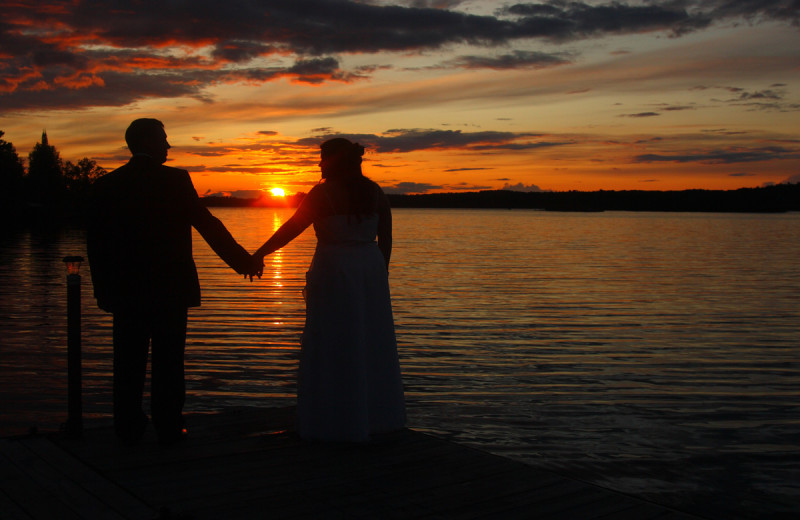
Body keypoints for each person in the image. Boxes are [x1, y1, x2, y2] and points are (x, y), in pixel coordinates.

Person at [86, 118, 253, 446]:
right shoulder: (175, 180)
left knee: (127, 362)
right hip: (170, 289)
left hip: (125, 291)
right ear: (147, 141)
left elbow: (96, 244)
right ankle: (169, 426)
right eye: (163, 139)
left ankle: (128, 429)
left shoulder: (106, 185)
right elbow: (206, 224)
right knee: (169, 362)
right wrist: (241, 261)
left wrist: (102, 291)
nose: (168, 145)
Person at [250, 138, 406, 442]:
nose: (319, 164)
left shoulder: (322, 193)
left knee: (333, 337)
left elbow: (292, 227)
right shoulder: (375, 192)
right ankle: (374, 417)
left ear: (331, 161)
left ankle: (334, 419)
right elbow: (385, 238)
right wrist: (379, 272)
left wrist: (259, 253)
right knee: (369, 337)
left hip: (335, 267)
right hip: (369, 268)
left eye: (322, 159)